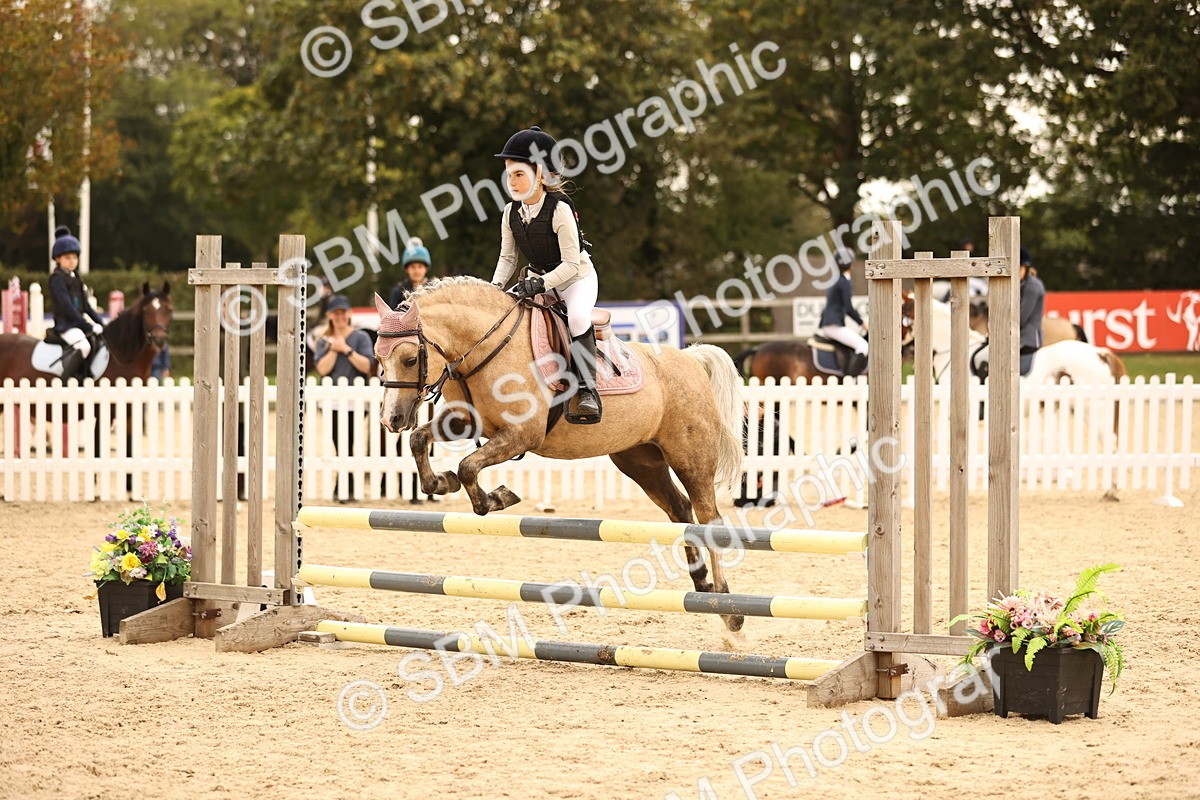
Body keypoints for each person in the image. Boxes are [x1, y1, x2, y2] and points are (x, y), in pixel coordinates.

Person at [490, 125, 601, 423]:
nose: (511, 181)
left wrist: (538, 284)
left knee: (577, 318)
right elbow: (507, 257)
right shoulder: (510, 212)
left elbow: (571, 265)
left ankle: (589, 390)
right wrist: (495, 288)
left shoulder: (560, 209)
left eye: (518, 174)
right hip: (539, 281)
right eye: (508, 174)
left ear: (539, 174)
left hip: (576, 280)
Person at [314, 295, 375, 502]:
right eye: (336, 313)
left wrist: (346, 350)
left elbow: (368, 366)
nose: (340, 317)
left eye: (343, 312)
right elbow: (323, 369)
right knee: (340, 445)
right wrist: (335, 348)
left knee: (350, 445)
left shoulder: (361, 338)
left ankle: (344, 489)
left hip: (356, 403)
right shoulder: (323, 340)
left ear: (348, 314)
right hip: (331, 403)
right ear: (330, 315)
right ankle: (344, 489)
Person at [48, 226, 106, 381]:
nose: (72, 261)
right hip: (65, 325)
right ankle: (65, 381)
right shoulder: (57, 279)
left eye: (75, 257)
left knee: (99, 342)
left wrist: (101, 322)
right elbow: (67, 307)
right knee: (84, 346)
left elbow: (86, 306)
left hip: (77, 323)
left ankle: (86, 375)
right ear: (58, 259)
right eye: (67, 258)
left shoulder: (77, 279)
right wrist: (88, 325)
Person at [818, 249, 868, 377]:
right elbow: (849, 308)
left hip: (830, 324)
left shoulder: (837, 280)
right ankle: (851, 380)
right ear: (851, 264)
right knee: (863, 346)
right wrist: (862, 323)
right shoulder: (844, 282)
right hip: (833, 325)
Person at [1018, 246, 1045, 376]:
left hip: (1028, 338)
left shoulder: (1032, 287)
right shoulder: (1022, 284)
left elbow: (1021, 317)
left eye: (1019, 268)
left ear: (1025, 268)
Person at [389, 238, 433, 309]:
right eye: (413, 267)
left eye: (420, 267)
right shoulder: (398, 292)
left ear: (426, 268)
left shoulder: (433, 289)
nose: (416, 271)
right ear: (407, 269)